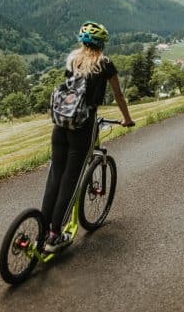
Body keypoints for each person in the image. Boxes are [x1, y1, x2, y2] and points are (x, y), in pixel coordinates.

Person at [41, 21, 135, 253]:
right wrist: (127, 118)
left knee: (55, 176)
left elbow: (69, 91)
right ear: (102, 44)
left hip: (61, 125)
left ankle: (42, 228)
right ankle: (54, 236)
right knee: (70, 181)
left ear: (82, 42)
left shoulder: (73, 59)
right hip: (83, 127)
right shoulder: (105, 64)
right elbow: (118, 95)